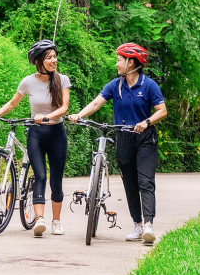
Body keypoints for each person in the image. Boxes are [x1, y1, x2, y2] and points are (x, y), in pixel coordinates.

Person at [69, 43, 167, 244]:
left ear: (131, 63)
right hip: (123, 138)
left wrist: (146, 122)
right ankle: (137, 226)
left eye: (119, 60)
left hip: (145, 138)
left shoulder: (149, 85)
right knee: (130, 184)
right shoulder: (115, 85)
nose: (117, 64)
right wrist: (79, 115)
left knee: (145, 182)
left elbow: (162, 110)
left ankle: (148, 225)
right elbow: (97, 103)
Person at [0, 40, 70, 237]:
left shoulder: (62, 80)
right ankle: (39, 220)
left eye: (55, 56)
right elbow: (12, 104)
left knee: (56, 180)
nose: (54, 60)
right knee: (40, 175)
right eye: (49, 57)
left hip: (56, 133)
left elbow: (64, 108)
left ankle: (56, 221)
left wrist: (47, 117)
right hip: (36, 134)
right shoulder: (28, 81)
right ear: (39, 62)